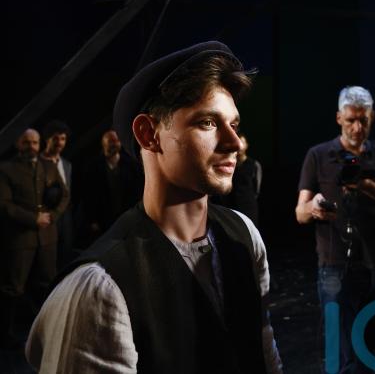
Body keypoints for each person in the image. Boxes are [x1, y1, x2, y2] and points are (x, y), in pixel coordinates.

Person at [26, 41, 283, 373]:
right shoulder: (99, 288)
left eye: (233, 125)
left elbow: (263, 350)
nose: (234, 142)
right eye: (207, 122)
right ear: (148, 134)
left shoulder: (244, 235)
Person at [295, 85, 375, 373]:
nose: (357, 127)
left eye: (363, 120)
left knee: (367, 353)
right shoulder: (318, 155)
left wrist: (364, 185)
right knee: (346, 359)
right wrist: (314, 206)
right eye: (351, 120)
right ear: (338, 118)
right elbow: (300, 212)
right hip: (335, 269)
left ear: (372, 117)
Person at [0, 129, 69, 348]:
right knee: (13, 289)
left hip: (48, 238)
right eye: (26, 142)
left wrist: (53, 216)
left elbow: (64, 195)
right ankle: (6, 336)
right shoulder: (6, 169)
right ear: (18, 144)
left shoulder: (48, 166)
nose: (31, 146)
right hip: (21, 240)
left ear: (40, 144)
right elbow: (4, 205)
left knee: (47, 285)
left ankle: (46, 331)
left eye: (35, 143)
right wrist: (33, 219)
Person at [76, 129, 143, 247]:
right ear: (103, 143)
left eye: (117, 140)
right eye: (111, 141)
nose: (115, 144)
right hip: (103, 219)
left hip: (126, 216)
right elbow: (88, 195)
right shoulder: (92, 167)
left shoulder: (131, 165)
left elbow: (137, 192)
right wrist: (92, 219)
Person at [40, 120, 74, 267]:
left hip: (65, 220)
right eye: (55, 138)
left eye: (63, 139)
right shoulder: (37, 162)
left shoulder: (67, 164)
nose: (60, 142)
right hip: (46, 218)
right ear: (47, 139)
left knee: (65, 257)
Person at [212, 132, 262, 225]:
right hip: (231, 207)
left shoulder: (254, 164)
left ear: (246, 145)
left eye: (242, 142)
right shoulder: (228, 164)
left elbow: (256, 189)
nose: (239, 145)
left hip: (248, 206)